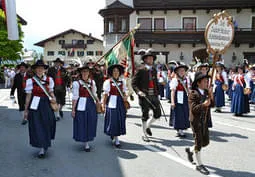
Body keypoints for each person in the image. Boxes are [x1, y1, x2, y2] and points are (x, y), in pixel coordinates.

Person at [24, 60, 56, 158]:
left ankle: (45, 142)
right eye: (38, 68)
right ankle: (42, 147)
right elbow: (28, 96)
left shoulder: (49, 80)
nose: (39, 70)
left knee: (48, 123)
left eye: (41, 68)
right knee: (37, 125)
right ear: (35, 70)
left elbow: (51, 92)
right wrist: (26, 110)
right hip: (35, 105)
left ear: (44, 70)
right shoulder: (30, 81)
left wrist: (54, 98)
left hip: (46, 104)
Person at [186, 72, 214, 175]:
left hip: (205, 120)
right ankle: (199, 165)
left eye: (207, 81)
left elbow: (212, 105)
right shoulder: (193, 93)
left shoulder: (206, 92)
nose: (207, 83)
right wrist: (203, 105)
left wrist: (211, 95)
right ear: (198, 83)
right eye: (205, 81)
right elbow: (193, 109)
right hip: (196, 121)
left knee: (205, 142)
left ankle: (190, 149)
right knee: (198, 142)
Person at [132, 49, 161, 142]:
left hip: (154, 95)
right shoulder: (140, 70)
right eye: (148, 58)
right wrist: (138, 92)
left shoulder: (154, 70)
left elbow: (155, 82)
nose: (150, 60)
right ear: (145, 60)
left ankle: (148, 126)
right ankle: (144, 133)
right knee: (145, 114)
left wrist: (158, 92)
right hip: (145, 95)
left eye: (152, 58)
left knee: (157, 114)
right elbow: (134, 83)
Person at [71, 65, 99, 152]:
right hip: (80, 104)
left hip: (90, 104)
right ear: (80, 73)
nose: (85, 73)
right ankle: (84, 139)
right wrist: (73, 109)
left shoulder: (92, 83)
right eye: (83, 72)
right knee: (82, 122)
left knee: (90, 122)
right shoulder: (77, 83)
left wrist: (98, 102)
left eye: (86, 72)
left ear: (89, 73)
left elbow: (95, 94)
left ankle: (87, 141)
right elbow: (75, 97)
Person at [102, 64, 127, 148]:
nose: (116, 73)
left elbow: (124, 92)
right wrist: (103, 105)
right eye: (114, 71)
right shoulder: (108, 82)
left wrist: (126, 96)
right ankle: (115, 137)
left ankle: (116, 136)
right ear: (111, 73)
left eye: (117, 71)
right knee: (113, 119)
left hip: (120, 102)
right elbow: (105, 95)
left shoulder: (123, 81)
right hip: (111, 102)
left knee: (120, 119)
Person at [170, 62, 190, 137]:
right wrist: (172, 102)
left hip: (184, 98)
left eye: (183, 70)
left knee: (184, 113)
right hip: (177, 98)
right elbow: (172, 91)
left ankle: (181, 129)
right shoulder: (175, 80)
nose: (182, 72)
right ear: (177, 72)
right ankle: (179, 130)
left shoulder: (186, 79)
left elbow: (188, 89)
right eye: (180, 70)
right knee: (178, 114)